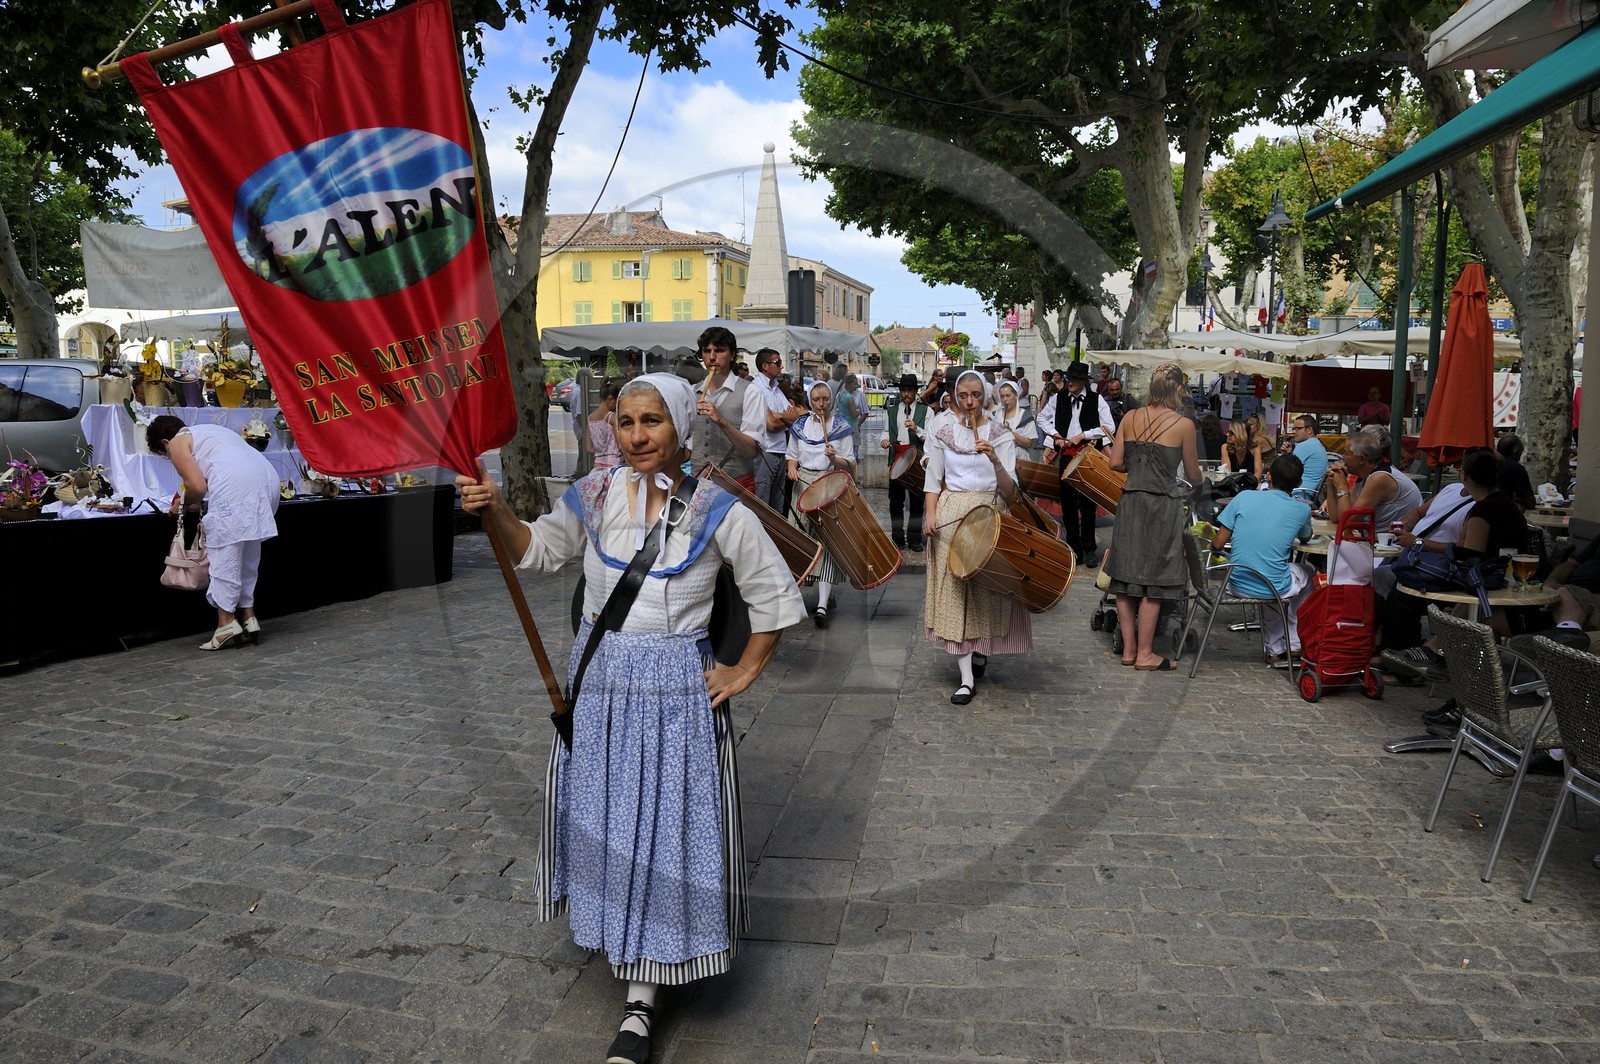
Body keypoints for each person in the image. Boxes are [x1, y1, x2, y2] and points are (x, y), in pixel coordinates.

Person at [455, 374, 804, 1064]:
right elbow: (536, 551)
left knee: (660, 830)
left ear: (680, 428)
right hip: (600, 678)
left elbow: (775, 597)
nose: (638, 436)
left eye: (653, 422)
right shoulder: (592, 494)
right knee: (610, 819)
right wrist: (493, 507)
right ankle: (619, 934)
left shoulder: (718, 510)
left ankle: (642, 1001)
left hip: (675, 688)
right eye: (626, 422)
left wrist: (743, 670)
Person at [923, 370, 1031, 704]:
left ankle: (981, 648)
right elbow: (933, 478)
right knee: (957, 590)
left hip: (990, 513)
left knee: (987, 589)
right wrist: (930, 514)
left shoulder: (1001, 434)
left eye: (974, 395)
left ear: (985, 397)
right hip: (953, 511)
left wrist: (995, 460)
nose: (969, 402)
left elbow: (1011, 488)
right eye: (963, 395)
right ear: (956, 396)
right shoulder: (943, 431)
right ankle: (966, 677)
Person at [1382, 448, 1530, 677]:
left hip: (1488, 580)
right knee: (1402, 584)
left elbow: (1469, 553)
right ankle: (1423, 651)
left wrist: (1420, 544)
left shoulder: (1484, 509)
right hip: (1491, 577)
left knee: (1405, 592)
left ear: (1465, 476)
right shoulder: (1501, 503)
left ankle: (1416, 663)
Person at [147, 414, 280, 651]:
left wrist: (181, 505)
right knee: (248, 551)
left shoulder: (177, 442)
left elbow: (197, 486)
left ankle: (226, 623)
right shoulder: (210, 431)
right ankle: (248, 616)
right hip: (266, 479)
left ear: (164, 443)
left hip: (237, 484)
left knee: (223, 553)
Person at [1102, 363, 1202, 670]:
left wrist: (1139, 464)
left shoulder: (1130, 417)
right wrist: (1201, 481)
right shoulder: (1183, 424)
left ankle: (1129, 650)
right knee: (1155, 579)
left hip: (1131, 502)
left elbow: (1115, 463)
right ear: (1177, 389)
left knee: (1124, 576)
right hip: (1162, 506)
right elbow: (1193, 474)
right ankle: (1146, 653)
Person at [1209, 453, 1315, 666]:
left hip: (1237, 581)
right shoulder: (1302, 508)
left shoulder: (1243, 497)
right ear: (1299, 483)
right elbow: (1306, 537)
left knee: (1273, 574)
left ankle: (1276, 648)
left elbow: (1218, 544)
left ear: (1268, 476)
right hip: (1272, 585)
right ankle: (1294, 642)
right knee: (1307, 575)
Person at [787, 380, 858, 625]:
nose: (820, 404)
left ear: (831, 400)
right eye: (816, 399)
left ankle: (821, 605)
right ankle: (794, 598)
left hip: (829, 483)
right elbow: (791, 456)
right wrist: (792, 469)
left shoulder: (841, 427)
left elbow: (850, 463)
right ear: (810, 400)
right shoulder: (799, 425)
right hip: (803, 483)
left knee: (827, 544)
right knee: (798, 541)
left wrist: (835, 458)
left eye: (825, 399)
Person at [1041, 361, 1116, 565]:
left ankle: (1089, 548)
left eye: (1074, 379)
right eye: (1068, 379)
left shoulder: (1096, 399)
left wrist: (1084, 435)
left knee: (1088, 503)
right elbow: (1042, 418)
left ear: (1083, 381)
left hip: (1088, 455)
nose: (1070, 382)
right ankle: (1074, 548)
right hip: (1066, 454)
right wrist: (1056, 435)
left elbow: (1109, 427)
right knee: (1068, 504)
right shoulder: (1058, 398)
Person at [689, 326, 764, 490]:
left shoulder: (751, 392)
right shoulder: (692, 392)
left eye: (719, 350)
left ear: (732, 355)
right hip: (697, 484)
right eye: (707, 351)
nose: (712, 357)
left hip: (736, 485)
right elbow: (687, 451)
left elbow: (752, 452)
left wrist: (722, 422)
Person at [1324, 429, 1422, 531]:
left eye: (1346, 453)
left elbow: (1348, 521)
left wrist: (1342, 486)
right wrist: (1331, 484)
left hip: (1392, 544)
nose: (1343, 457)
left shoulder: (1380, 478)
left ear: (1362, 459)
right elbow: (1336, 518)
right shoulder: (1364, 477)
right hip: (1375, 541)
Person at [751, 348, 806, 513]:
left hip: (780, 451)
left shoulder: (775, 389)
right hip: (764, 452)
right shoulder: (757, 388)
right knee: (762, 503)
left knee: (777, 505)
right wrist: (785, 418)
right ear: (765, 366)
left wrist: (780, 415)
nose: (781, 367)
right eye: (778, 363)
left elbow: (797, 418)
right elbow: (771, 425)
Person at [880, 372, 928, 552]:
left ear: (915, 391)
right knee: (895, 502)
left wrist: (917, 429)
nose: (906, 394)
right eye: (903, 390)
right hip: (897, 458)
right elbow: (886, 431)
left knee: (917, 503)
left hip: (916, 461)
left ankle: (915, 540)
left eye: (909, 390)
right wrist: (884, 440)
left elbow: (931, 439)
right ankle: (897, 539)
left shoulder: (926, 411)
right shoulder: (892, 410)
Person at [1289, 414, 1329, 502]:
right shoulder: (1316, 444)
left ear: (1309, 430)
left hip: (1297, 494)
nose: (1294, 432)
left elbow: (1285, 470)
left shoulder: (1305, 445)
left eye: (1298, 428)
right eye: (1293, 429)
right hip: (1307, 493)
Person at [997, 379, 1040, 456]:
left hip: (1019, 458)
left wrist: (1010, 432)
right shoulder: (996, 415)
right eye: (1002, 396)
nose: (1005, 400)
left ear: (1016, 395)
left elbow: (1030, 444)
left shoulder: (1025, 416)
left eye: (1008, 396)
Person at [1495, 433, 1536, 510]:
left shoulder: (1488, 462)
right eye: (1520, 452)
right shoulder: (1516, 468)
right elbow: (1530, 502)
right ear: (1515, 452)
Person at [586, 381, 622, 469]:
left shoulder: (590, 418)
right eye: (617, 402)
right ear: (611, 399)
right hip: (614, 464)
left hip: (597, 464)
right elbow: (620, 445)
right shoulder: (612, 417)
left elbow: (589, 448)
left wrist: (601, 453)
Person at [838, 372, 869, 458]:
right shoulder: (841, 395)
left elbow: (865, 412)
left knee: (854, 452)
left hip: (854, 428)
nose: (856, 386)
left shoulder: (860, 395)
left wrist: (857, 424)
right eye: (854, 384)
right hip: (843, 428)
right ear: (848, 384)